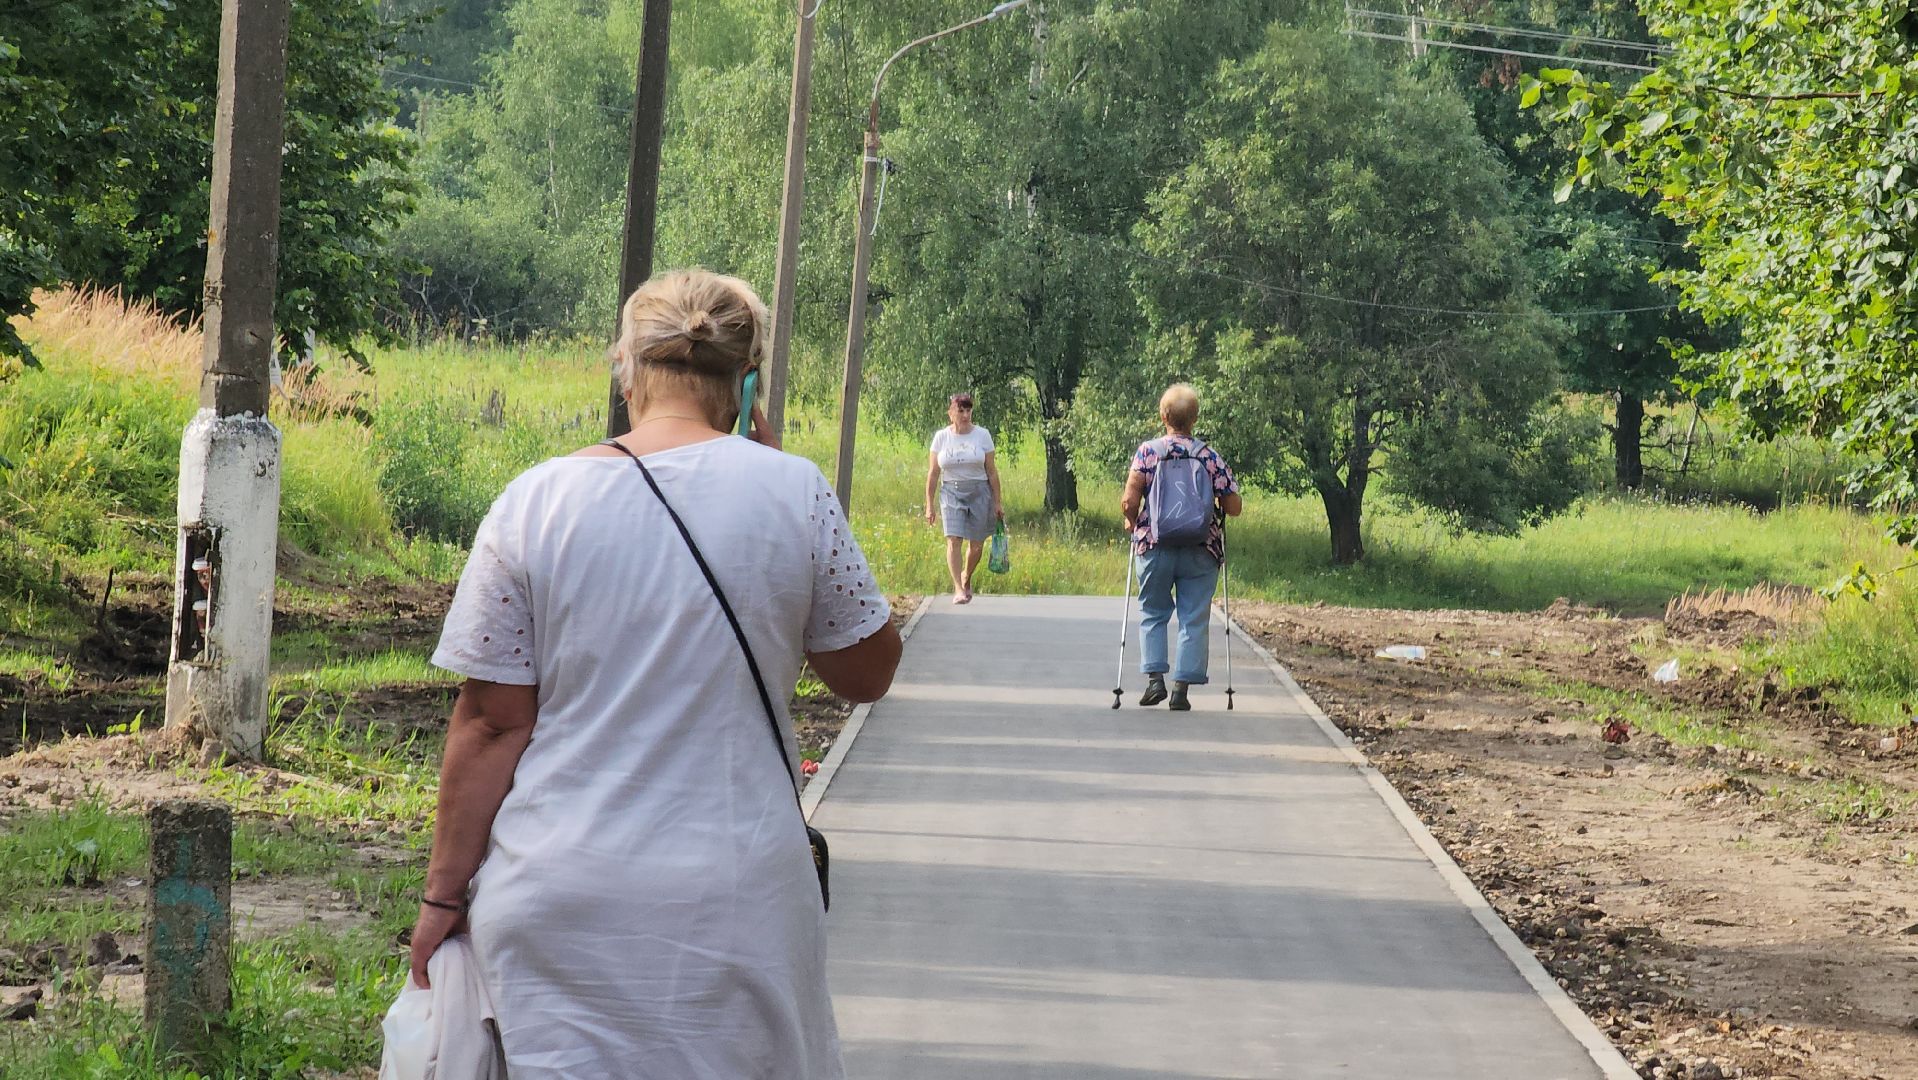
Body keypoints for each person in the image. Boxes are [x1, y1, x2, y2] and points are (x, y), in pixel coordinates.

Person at [408, 269, 903, 1080]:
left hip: (558, 894)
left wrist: (440, 898)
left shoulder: (536, 500)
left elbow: (492, 723)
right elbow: (867, 671)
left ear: (624, 370)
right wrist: (774, 481)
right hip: (740, 899)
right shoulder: (795, 490)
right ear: (747, 384)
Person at [1120, 384, 1243, 711]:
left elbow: (1130, 499)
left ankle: (1154, 681)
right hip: (1201, 548)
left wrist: (1131, 521)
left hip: (1155, 544)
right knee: (1194, 616)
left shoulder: (1148, 452)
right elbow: (1233, 507)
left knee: (1153, 611)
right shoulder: (1208, 456)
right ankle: (1180, 690)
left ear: (1163, 416)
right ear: (1195, 418)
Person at [923, 391, 1004, 604]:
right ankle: (958, 588)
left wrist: (997, 502)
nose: (965, 415)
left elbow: (992, 471)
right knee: (954, 539)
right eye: (961, 411)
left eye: (968, 410)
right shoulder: (942, 437)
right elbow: (933, 473)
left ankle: (966, 575)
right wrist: (929, 505)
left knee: (976, 545)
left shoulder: (982, 435)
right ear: (951, 413)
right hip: (951, 491)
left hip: (979, 491)